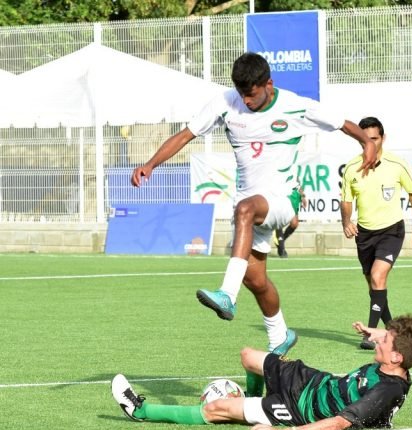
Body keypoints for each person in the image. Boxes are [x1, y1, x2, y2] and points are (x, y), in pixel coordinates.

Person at [130, 52, 377, 356]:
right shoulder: (225, 102)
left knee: (245, 209)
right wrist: (151, 163)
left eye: (252, 94)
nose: (246, 101)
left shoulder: (295, 105)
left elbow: (344, 124)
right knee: (255, 279)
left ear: (268, 84)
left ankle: (227, 294)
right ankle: (280, 335)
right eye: (241, 94)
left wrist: (366, 143)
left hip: (283, 200)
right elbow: (186, 135)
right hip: (251, 206)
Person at [111, 314, 412, 430]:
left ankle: (141, 411)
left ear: (396, 357)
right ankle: (252, 399)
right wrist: (374, 330)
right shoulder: (395, 361)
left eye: (384, 340)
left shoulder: (387, 390)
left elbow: (339, 423)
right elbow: (392, 341)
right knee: (248, 356)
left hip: (296, 411)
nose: (377, 340)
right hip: (308, 380)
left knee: (216, 410)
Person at [340, 117, 412, 350]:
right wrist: (346, 221)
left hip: (391, 230)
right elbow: (346, 201)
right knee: (374, 285)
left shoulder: (397, 164)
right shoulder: (351, 168)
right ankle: (391, 329)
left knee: (378, 277)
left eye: (374, 139)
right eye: (365, 139)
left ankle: (370, 334)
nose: (371, 143)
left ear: (383, 138)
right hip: (365, 234)